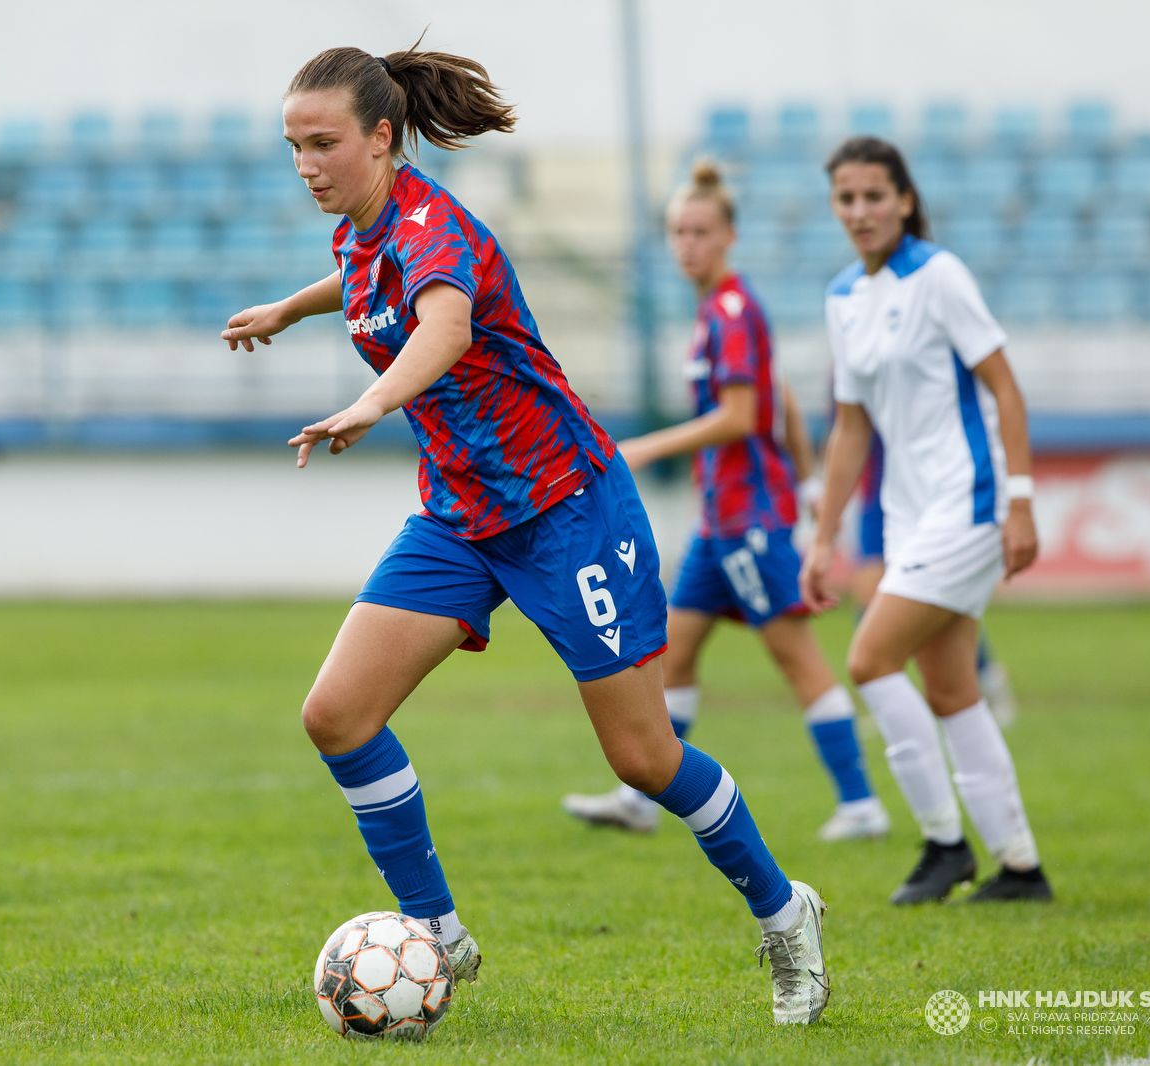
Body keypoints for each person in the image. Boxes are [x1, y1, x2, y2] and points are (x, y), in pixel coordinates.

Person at [222, 43, 830, 1024]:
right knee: (335, 714)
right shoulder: (358, 230)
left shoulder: (434, 226)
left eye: (323, 144)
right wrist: (290, 309)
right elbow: (361, 285)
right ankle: (436, 934)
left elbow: (444, 325)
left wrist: (368, 404)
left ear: (381, 139)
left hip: (565, 510)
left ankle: (783, 910)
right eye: (293, 147)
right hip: (460, 516)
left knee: (642, 758)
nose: (306, 165)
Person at [560, 160, 888, 842]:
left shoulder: (733, 310)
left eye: (701, 231)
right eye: (678, 232)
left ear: (729, 235)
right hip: (720, 523)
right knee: (671, 653)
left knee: (795, 657)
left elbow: (742, 415)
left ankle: (862, 804)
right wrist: (806, 473)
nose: (688, 244)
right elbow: (782, 397)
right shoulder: (715, 312)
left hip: (749, 520)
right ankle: (642, 799)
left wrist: (649, 448)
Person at [802, 137, 1051, 904]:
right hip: (906, 516)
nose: (860, 210)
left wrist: (1020, 499)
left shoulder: (939, 275)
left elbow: (1005, 389)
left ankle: (944, 844)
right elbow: (850, 427)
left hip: (970, 504)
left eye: (875, 195)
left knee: (870, 658)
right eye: (846, 198)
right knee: (951, 692)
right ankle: (1020, 867)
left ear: (904, 200)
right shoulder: (843, 296)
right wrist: (823, 536)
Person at [846, 432, 1019, 728]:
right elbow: (846, 433)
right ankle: (890, 703)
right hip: (876, 499)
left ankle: (987, 678)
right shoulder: (843, 385)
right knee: (868, 594)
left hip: (927, 499)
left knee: (940, 602)